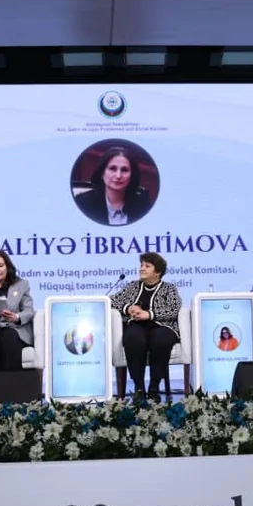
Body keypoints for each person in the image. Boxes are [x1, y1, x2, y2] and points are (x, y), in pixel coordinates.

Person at [111, 252, 182, 401]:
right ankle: (139, 388)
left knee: (160, 339)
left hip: (162, 326)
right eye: (141, 265)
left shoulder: (169, 288)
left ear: (158, 272)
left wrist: (149, 314)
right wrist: (128, 308)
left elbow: (174, 309)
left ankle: (154, 388)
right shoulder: (132, 286)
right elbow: (110, 301)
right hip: (136, 325)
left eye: (147, 266)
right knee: (133, 338)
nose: (142, 268)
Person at [73, 145, 154, 227]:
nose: (118, 176)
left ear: (132, 175)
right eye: (112, 169)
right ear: (102, 173)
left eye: (124, 170)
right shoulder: (84, 203)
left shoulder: (143, 205)